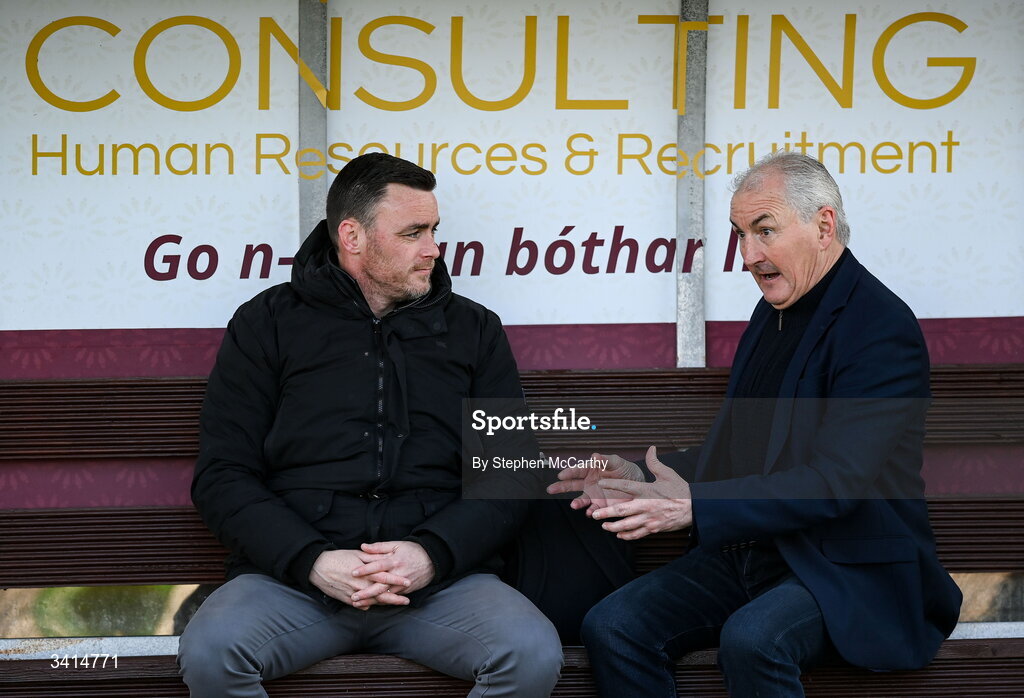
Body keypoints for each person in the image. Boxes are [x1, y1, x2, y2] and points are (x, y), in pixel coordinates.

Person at [549, 151, 962, 697]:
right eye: (740, 234)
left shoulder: (880, 328)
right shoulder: (773, 313)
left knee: (754, 640)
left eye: (764, 231)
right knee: (614, 626)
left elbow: (836, 482)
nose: (748, 255)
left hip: (846, 567)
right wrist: (637, 472)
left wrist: (696, 506)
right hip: (752, 553)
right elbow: (742, 450)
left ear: (822, 225)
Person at [178, 153, 562, 697]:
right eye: (413, 232)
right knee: (214, 652)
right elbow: (223, 475)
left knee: (529, 653)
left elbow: (510, 475)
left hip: (438, 586)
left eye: (434, 230)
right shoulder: (266, 324)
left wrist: (430, 555)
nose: (433, 248)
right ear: (352, 237)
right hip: (296, 583)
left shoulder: (474, 330)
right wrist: (312, 560)